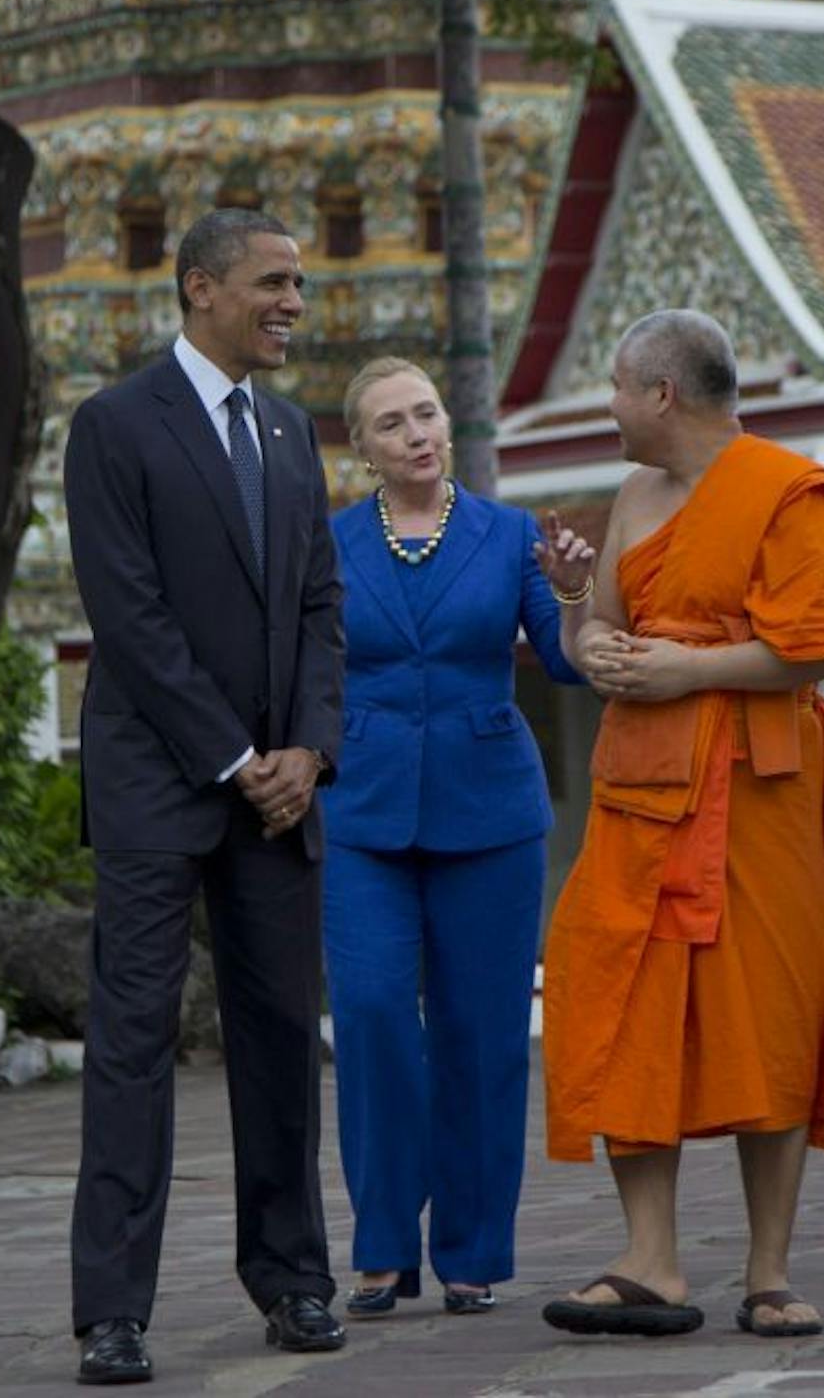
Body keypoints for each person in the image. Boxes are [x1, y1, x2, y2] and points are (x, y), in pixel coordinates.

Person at [538, 309, 824, 1340]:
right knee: (622, 997)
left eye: (618, 387)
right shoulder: (633, 493)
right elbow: (606, 636)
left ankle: (768, 1269)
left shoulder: (784, 491)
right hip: (641, 784)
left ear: (662, 394)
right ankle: (649, 1258)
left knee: (769, 1012)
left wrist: (693, 668)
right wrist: (588, 627)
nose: (610, 407)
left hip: (761, 787)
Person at [63, 208, 348, 1386]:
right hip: (157, 785)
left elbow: (322, 612)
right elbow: (127, 619)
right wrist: (236, 756)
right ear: (199, 290)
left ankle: (293, 1279)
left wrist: (309, 754)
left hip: (279, 795)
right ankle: (113, 1312)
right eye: (273, 282)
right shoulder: (114, 427)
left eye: (299, 284)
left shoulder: (289, 433)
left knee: (282, 1036)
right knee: (132, 1042)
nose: (294, 301)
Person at [318, 357, 594, 1321]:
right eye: (392, 424)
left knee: (481, 1035)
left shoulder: (513, 536)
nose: (419, 433)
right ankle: (383, 1245)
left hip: (490, 811)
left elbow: (568, 665)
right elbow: (299, 664)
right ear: (363, 450)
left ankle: (473, 1250)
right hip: (362, 808)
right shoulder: (330, 544)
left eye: (427, 413)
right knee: (373, 1014)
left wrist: (570, 593)